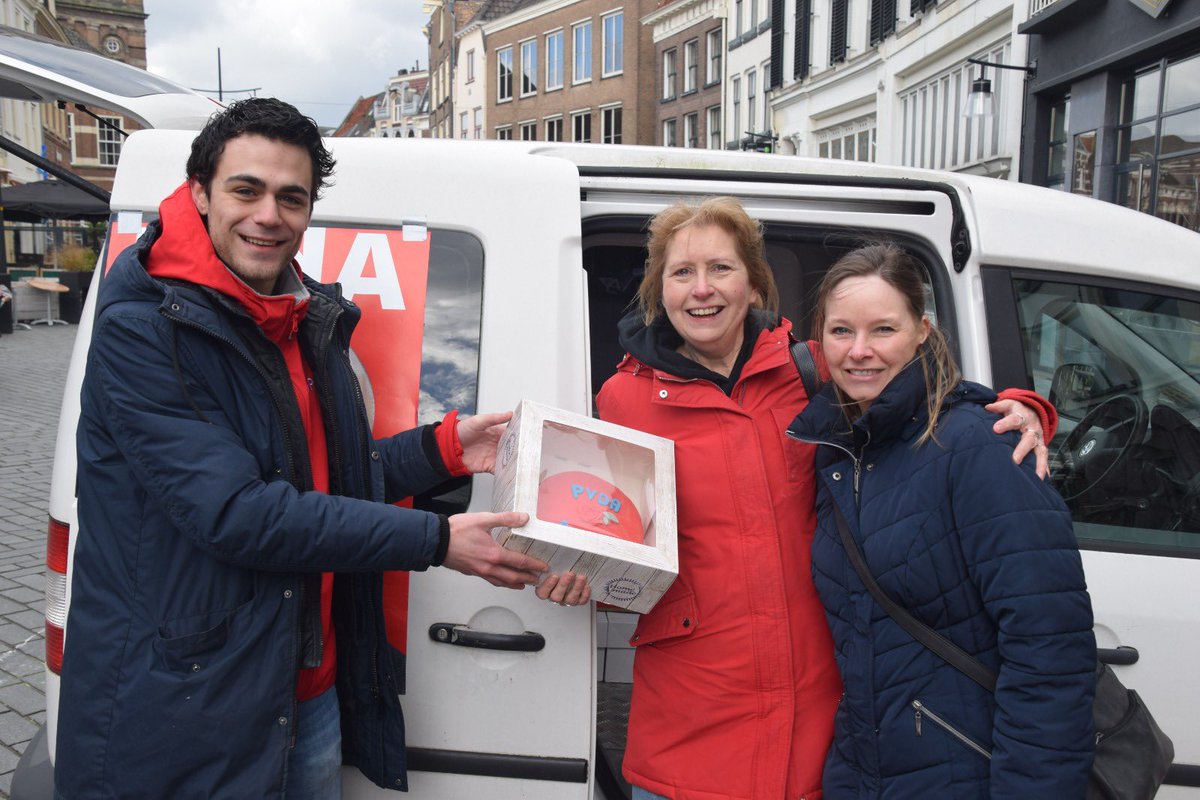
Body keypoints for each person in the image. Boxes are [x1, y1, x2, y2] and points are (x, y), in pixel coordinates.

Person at [56, 98, 549, 800]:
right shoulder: (145, 327)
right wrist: (438, 539)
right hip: (191, 707)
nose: (269, 215)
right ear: (199, 191)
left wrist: (445, 449)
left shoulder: (297, 313)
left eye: (292, 197)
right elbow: (240, 513)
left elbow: (324, 479)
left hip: (304, 692)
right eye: (245, 190)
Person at [575, 197, 1054, 800]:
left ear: (753, 282)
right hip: (689, 729)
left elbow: (918, 397)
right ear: (660, 289)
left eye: (721, 268)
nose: (703, 289)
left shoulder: (812, 370)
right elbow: (615, 538)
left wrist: (1024, 409)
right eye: (682, 272)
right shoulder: (623, 399)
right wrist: (581, 577)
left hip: (823, 727)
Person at [787, 242, 1095, 798]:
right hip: (867, 775)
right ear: (820, 337)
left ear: (922, 331)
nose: (859, 351)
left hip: (967, 773)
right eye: (841, 331)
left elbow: (1049, 652)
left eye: (883, 330)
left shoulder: (979, 447)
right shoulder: (835, 450)